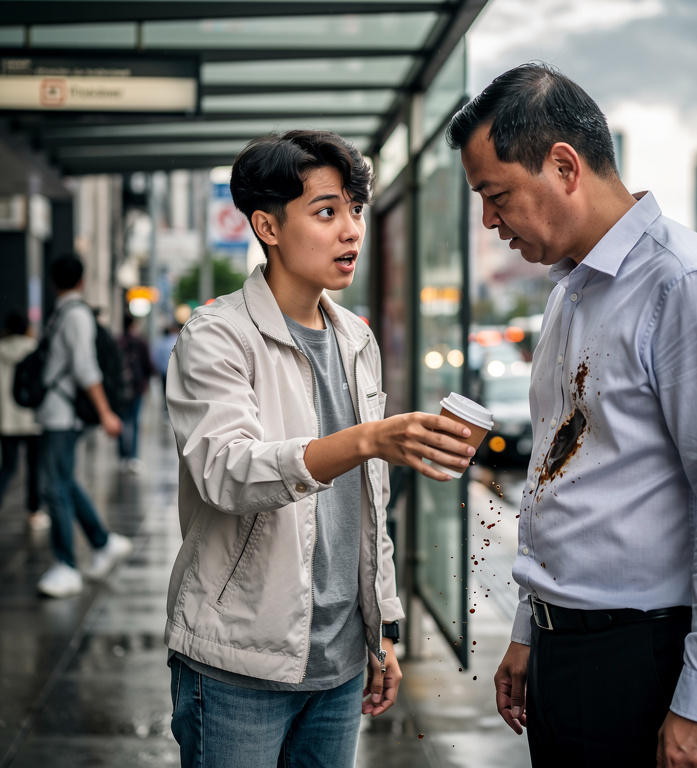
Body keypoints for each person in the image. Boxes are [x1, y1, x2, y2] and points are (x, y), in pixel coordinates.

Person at [447, 63, 697, 768]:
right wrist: (530, 628)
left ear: (564, 166)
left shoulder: (689, 287)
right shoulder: (569, 292)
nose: (489, 219)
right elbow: (559, 478)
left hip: (646, 660)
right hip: (566, 653)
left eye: (495, 194)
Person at [164, 130, 476, 768]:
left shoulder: (355, 338)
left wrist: (382, 629)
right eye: (327, 211)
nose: (351, 230)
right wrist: (367, 439)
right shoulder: (217, 337)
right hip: (238, 663)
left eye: (355, 211)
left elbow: (370, 509)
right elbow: (227, 473)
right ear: (267, 226)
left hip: (337, 665)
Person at [35, 254, 132, 598]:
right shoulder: (68, 313)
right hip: (57, 413)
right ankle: (103, 542)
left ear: (53, 280)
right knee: (63, 482)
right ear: (81, 280)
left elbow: (84, 367)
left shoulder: (73, 316)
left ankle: (66, 565)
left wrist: (105, 412)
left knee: (54, 487)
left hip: (63, 415)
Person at [0, 309, 49, 533]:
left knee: (7, 466)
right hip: (32, 419)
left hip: (5, 419)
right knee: (33, 467)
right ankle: (33, 512)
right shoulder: (33, 348)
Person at [117, 314, 153, 471]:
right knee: (134, 421)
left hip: (120, 388)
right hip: (137, 387)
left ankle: (122, 455)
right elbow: (148, 365)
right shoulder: (140, 341)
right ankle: (132, 456)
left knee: (122, 420)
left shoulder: (118, 341)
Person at [151, 324, 178, 412]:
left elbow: (156, 358)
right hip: (175, 372)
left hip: (164, 371)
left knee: (165, 390)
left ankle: (166, 408)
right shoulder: (177, 340)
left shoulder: (161, 343)